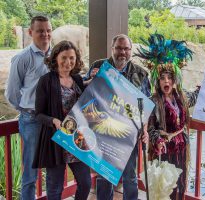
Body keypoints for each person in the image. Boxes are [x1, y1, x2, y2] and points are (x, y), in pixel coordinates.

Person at [85, 34, 150, 200]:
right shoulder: (99, 66)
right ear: (112, 49)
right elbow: (83, 93)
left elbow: (146, 107)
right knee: (104, 175)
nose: (123, 52)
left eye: (126, 49)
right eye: (119, 48)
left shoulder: (141, 74)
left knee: (130, 176)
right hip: (103, 130)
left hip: (129, 133)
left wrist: (145, 130)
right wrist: (90, 80)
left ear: (131, 51)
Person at [135, 33, 199, 200]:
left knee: (180, 184)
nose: (166, 81)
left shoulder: (182, 97)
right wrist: (158, 140)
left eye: (169, 77)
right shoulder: (153, 101)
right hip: (163, 149)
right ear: (158, 80)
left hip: (181, 147)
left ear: (174, 79)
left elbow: (194, 97)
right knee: (164, 187)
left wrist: (202, 89)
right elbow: (150, 128)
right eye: (162, 78)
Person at [32, 40, 91, 199]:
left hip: (77, 140)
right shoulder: (46, 81)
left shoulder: (78, 79)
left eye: (72, 58)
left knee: (86, 183)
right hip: (56, 141)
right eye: (64, 57)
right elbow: (38, 114)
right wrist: (54, 121)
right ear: (55, 58)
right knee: (54, 188)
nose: (68, 62)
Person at [5, 15, 52, 200]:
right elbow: (12, 93)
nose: (45, 34)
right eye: (40, 30)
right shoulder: (22, 58)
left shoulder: (56, 55)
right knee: (31, 173)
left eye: (48, 30)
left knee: (54, 170)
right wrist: (26, 109)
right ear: (30, 32)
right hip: (31, 120)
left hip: (53, 120)